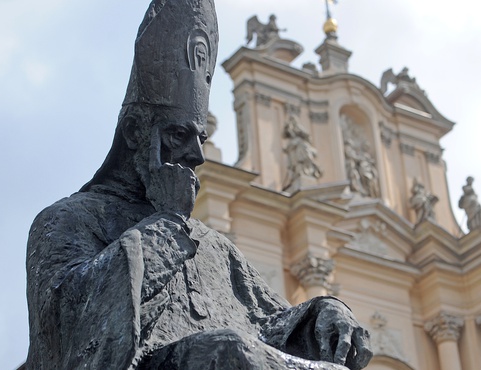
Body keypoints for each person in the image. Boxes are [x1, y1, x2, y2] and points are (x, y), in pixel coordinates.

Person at [25, 1, 372, 369]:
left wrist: (322, 312)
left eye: (201, 139)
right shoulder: (68, 219)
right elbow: (68, 321)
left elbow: (267, 322)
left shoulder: (216, 248)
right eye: (178, 134)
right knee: (230, 350)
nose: (197, 156)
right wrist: (168, 223)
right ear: (134, 132)